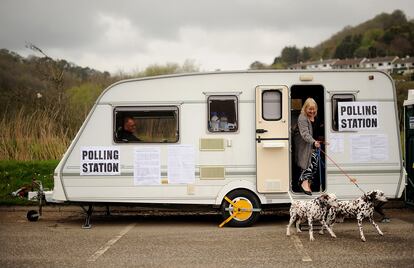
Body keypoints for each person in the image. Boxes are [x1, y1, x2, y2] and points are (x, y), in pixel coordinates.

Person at [294, 98, 323, 195]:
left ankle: (308, 184)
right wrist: (314, 142)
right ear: (305, 108)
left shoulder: (316, 117)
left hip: (313, 144)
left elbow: (317, 131)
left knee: (314, 165)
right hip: (305, 145)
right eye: (309, 109)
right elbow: (305, 134)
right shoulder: (302, 118)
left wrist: (321, 140)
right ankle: (303, 183)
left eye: (313, 109)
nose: (312, 111)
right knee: (307, 163)